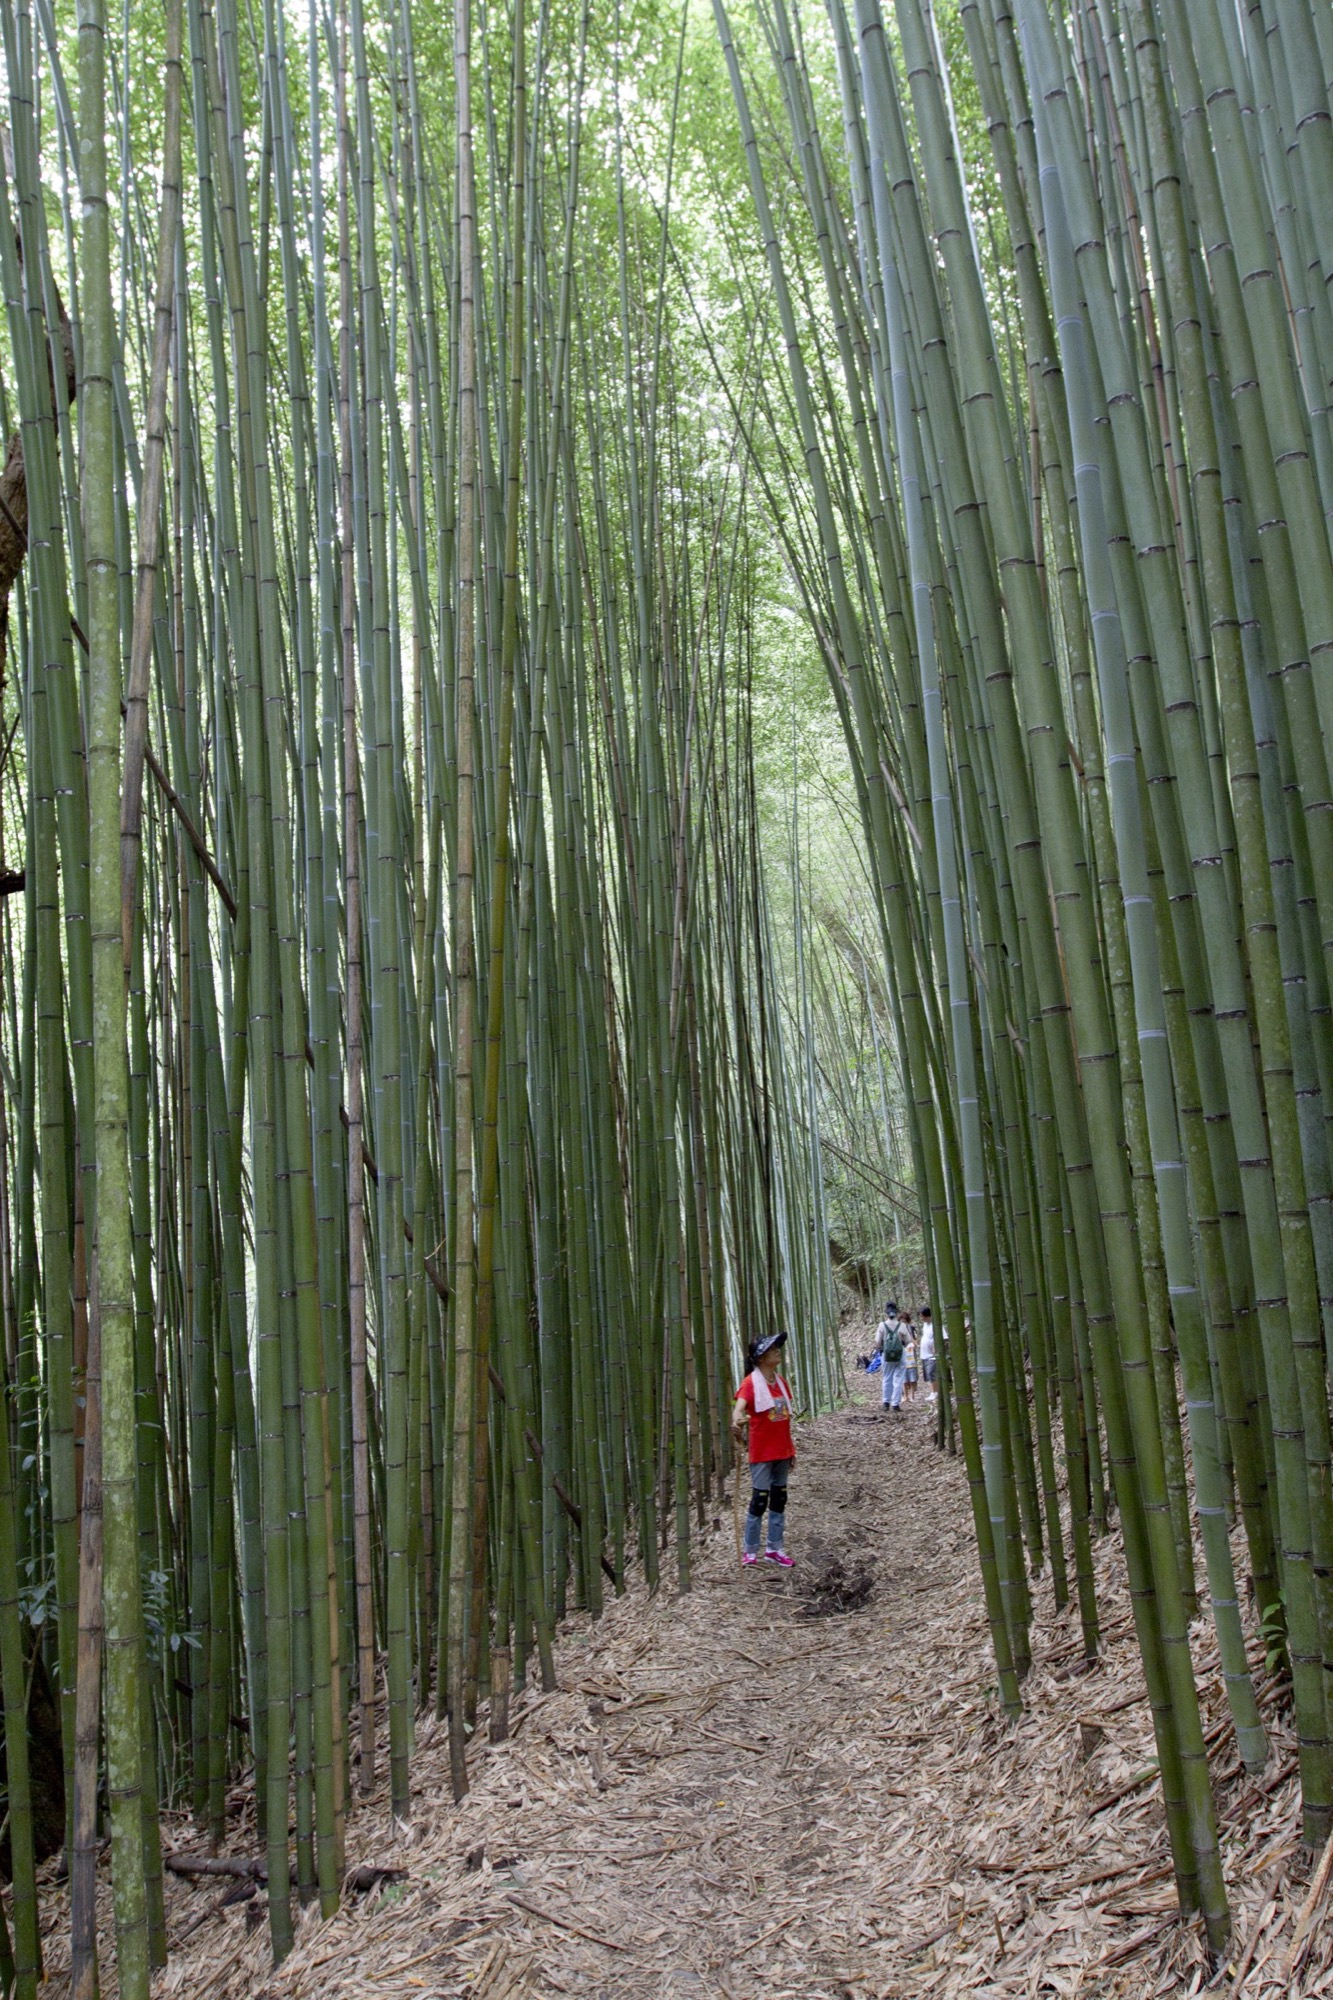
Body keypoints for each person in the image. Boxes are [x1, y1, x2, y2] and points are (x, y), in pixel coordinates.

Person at [732, 1332, 797, 1567]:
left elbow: (785, 1420)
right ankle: (750, 1550)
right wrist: (736, 1421)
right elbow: (738, 1409)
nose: (777, 1350)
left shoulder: (781, 1383)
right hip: (762, 1452)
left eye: (777, 1347)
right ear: (760, 1358)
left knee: (779, 1499)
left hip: (782, 1450)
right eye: (772, 1348)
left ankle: (774, 1548)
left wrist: (792, 1450)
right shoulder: (750, 1383)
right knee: (759, 1500)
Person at [875, 1301, 906, 1415]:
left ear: (886, 1313)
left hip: (886, 1355)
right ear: (896, 1312)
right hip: (900, 1355)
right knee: (898, 1378)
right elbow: (907, 1340)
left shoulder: (882, 1325)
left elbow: (878, 1341)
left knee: (887, 1377)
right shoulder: (901, 1325)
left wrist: (881, 1347)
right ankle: (896, 1404)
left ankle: (886, 1403)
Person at [919, 1307, 937, 1397]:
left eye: (922, 1316)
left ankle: (935, 1392)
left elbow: (944, 1338)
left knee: (931, 1373)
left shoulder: (936, 1325)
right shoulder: (925, 1325)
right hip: (925, 1354)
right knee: (928, 1375)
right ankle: (933, 1391)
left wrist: (936, 1347)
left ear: (927, 1316)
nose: (921, 1318)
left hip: (932, 1355)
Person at [902, 1317, 919, 1404]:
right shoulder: (898, 1331)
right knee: (904, 1380)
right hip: (902, 1360)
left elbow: (916, 1344)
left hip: (911, 1360)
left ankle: (912, 1396)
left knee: (912, 1379)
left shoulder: (911, 1329)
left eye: (904, 1321)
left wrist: (912, 1341)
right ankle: (905, 1396)